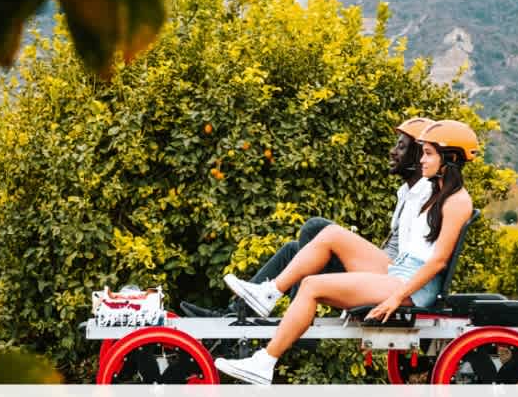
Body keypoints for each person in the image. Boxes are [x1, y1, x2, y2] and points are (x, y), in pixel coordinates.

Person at [213, 120, 479, 385]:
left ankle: (264, 362)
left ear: (451, 158)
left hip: (414, 286)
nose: (422, 160)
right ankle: (269, 292)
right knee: (328, 234)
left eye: (429, 153)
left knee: (311, 285)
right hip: (401, 269)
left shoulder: (457, 201)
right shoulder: (434, 191)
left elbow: (439, 261)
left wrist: (396, 297)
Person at [180, 117, 436, 318]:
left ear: (417, 155)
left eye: (401, 147)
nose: (392, 152)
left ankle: (297, 313)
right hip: (381, 269)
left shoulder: (425, 194)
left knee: (316, 228)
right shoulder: (407, 192)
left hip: (390, 278)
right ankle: (234, 313)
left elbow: (411, 257)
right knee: (295, 250)